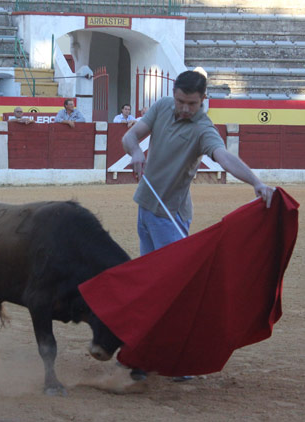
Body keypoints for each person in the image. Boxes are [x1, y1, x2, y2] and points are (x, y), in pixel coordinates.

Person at [121, 69, 275, 382]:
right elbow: (130, 135)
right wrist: (136, 151)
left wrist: (256, 182)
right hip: (147, 208)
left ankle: (177, 358)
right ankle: (145, 355)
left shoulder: (204, 129)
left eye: (192, 103)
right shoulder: (164, 106)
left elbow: (224, 157)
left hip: (170, 217)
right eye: (181, 101)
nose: (184, 108)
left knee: (174, 291)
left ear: (203, 100)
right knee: (153, 286)